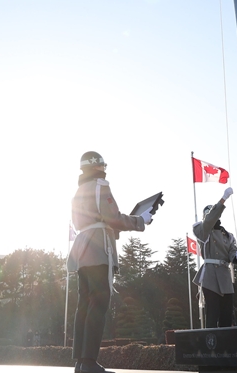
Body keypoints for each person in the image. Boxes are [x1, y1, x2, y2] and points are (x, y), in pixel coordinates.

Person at [67, 151, 152, 373]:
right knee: (99, 304)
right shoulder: (100, 185)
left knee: (84, 306)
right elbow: (112, 217)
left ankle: (80, 362)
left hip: (82, 251)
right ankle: (89, 362)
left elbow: (98, 221)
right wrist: (139, 221)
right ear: (98, 166)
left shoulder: (78, 191)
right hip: (98, 250)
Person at [193, 187, 237, 328]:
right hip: (210, 276)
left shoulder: (227, 235)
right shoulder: (202, 231)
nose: (213, 217)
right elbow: (209, 220)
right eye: (209, 214)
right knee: (212, 313)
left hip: (225, 275)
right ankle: (211, 344)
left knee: (227, 314)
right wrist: (223, 199)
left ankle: (227, 344)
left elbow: (231, 251)